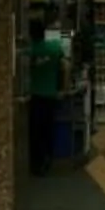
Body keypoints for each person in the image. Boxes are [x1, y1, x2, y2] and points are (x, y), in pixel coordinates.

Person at [27, 9, 68, 174]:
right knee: (48, 129)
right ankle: (48, 159)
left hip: (33, 96)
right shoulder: (55, 48)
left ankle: (35, 162)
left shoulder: (29, 51)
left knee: (34, 131)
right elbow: (65, 66)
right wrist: (62, 89)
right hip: (50, 95)